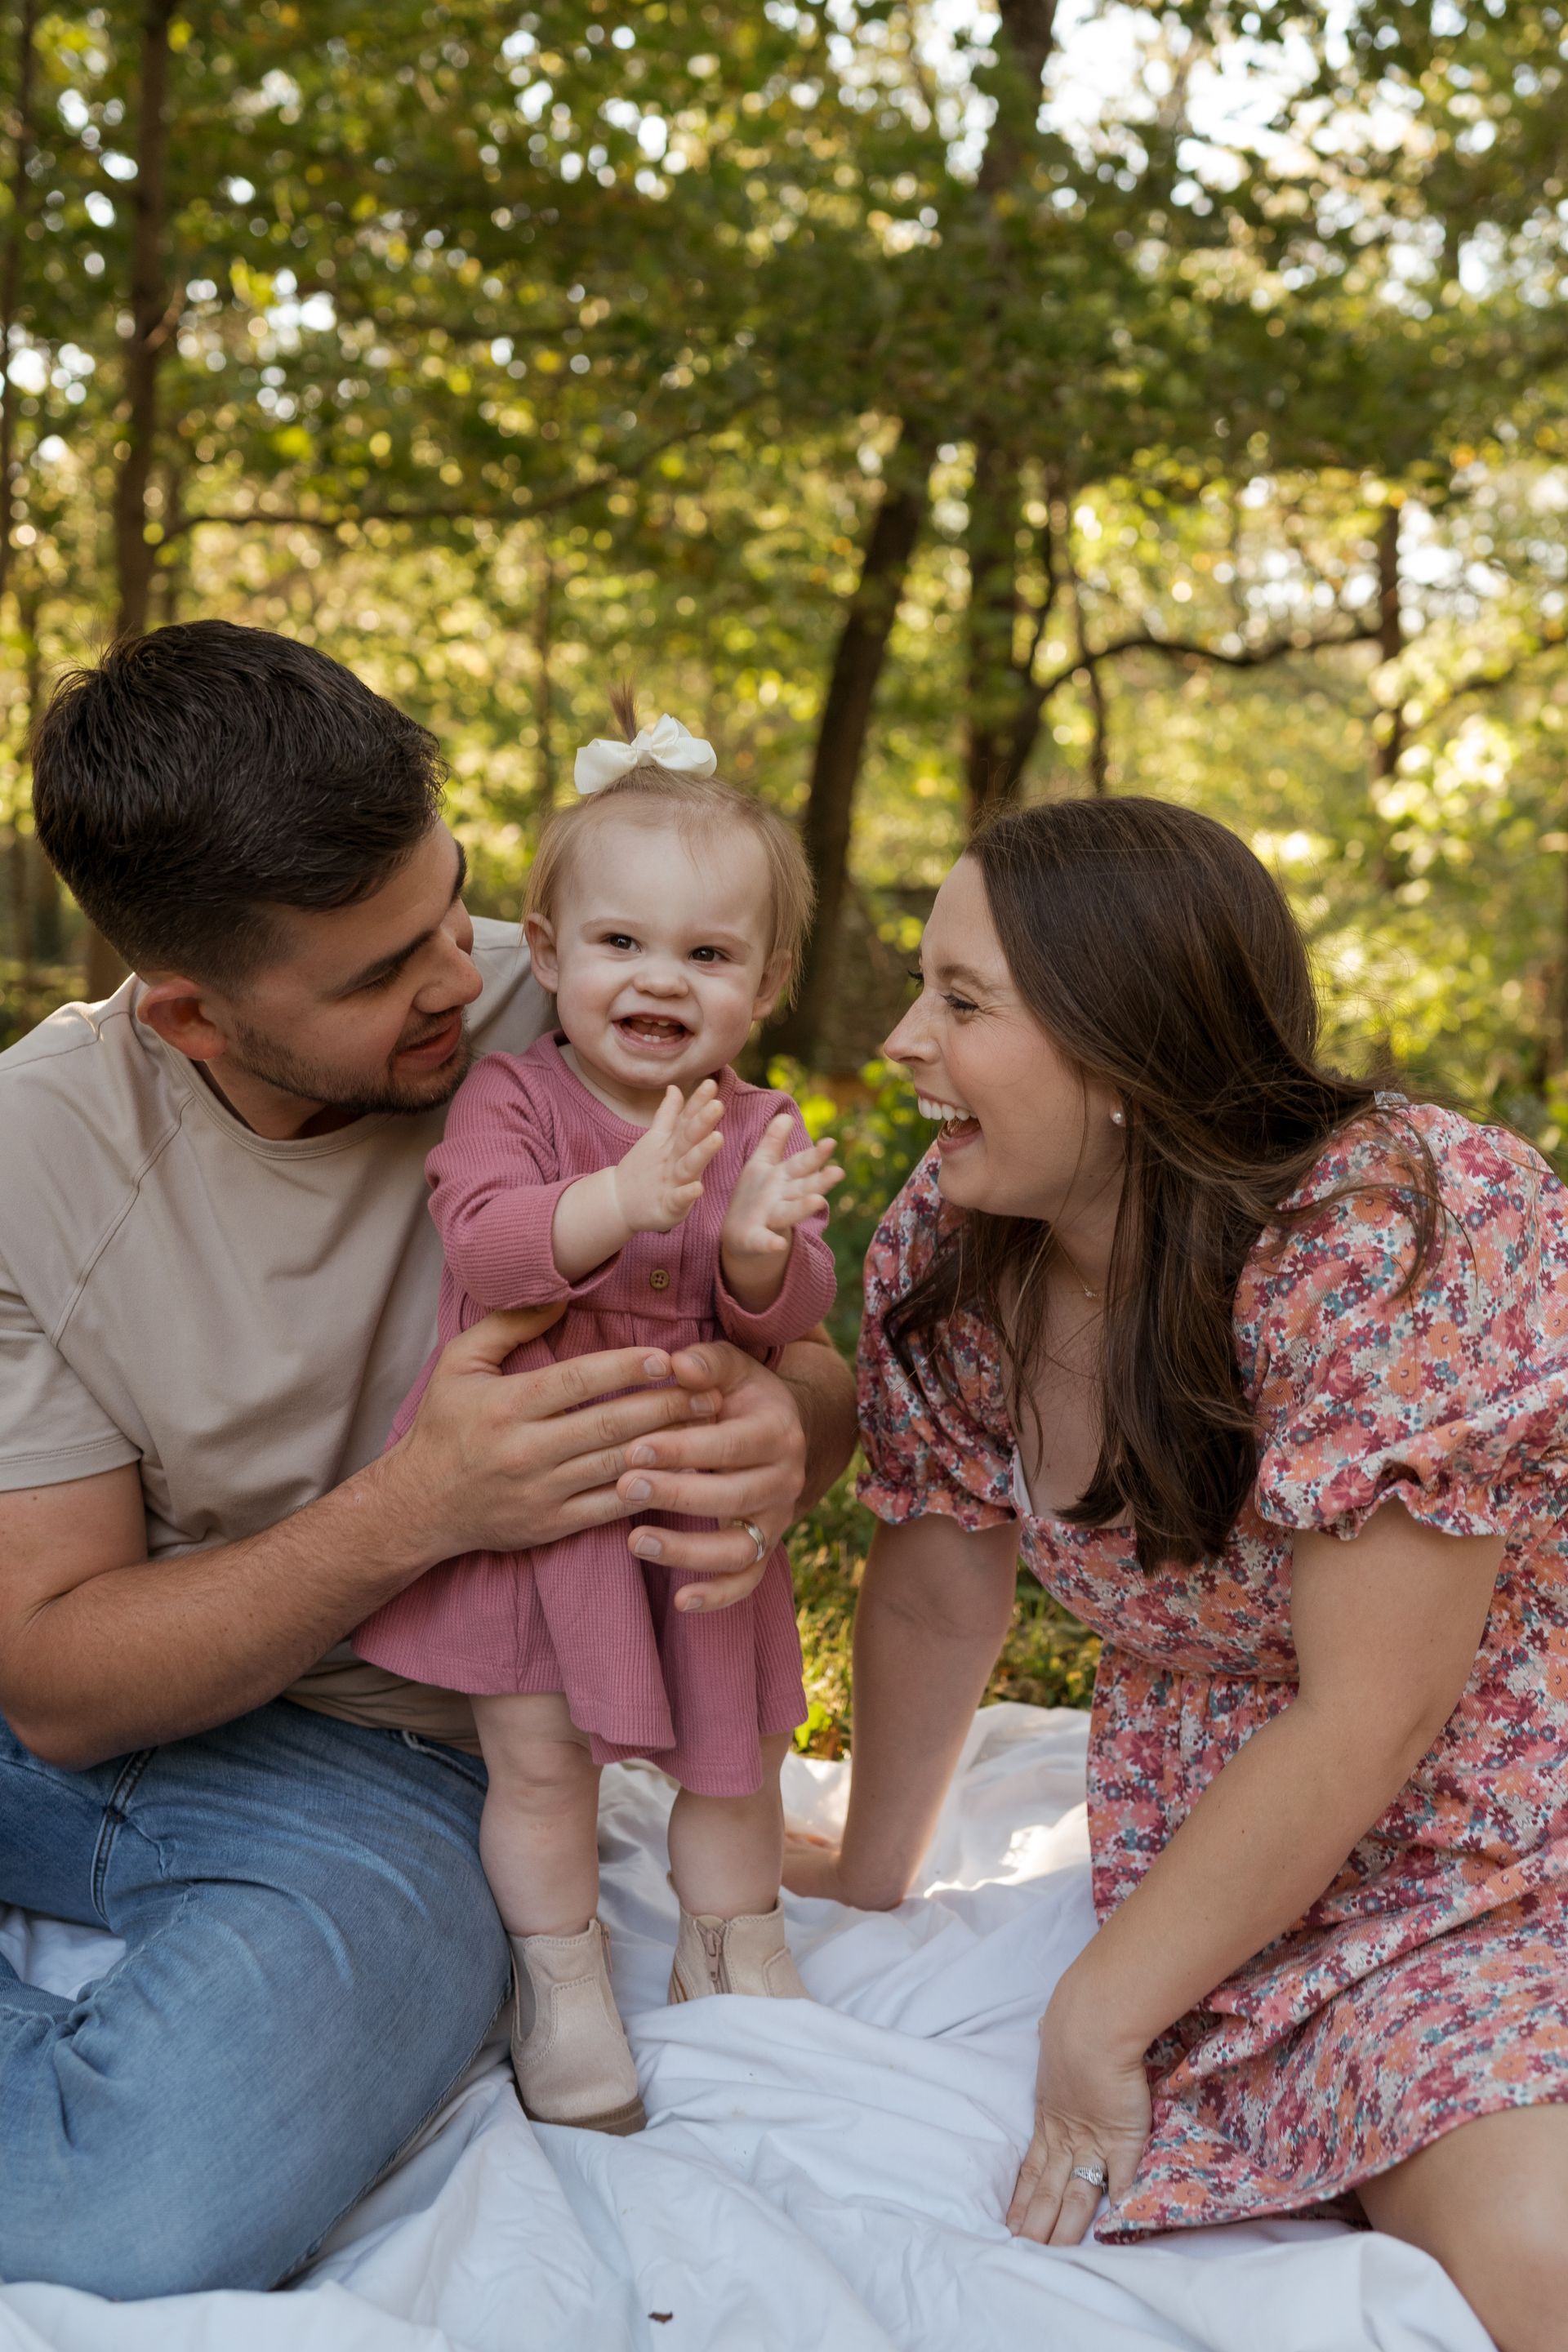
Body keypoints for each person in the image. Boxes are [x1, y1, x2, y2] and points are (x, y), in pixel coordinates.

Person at [0, 621, 855, 2300]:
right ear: (189, 1010)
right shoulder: (46, 1143)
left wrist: (787, 1430)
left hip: (393, 1759)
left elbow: (796, 1349)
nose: (463, 979)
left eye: (450, 905)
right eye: (383, 974)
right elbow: (58, 1680)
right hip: (105, 1698)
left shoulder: (594, 993)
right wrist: (419, 1508)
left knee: (134, 2216)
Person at [788, 796, 1568, 2352]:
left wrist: (1098, 2016)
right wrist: (869, 1882)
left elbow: (1372, 1718)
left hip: (1495, 1840)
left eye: (960, 1000)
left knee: (1540, 2258)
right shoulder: (954, 1253)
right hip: (1243, 1867)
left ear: (1126, 1047)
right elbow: (944, 1585)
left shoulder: (1396, 1234)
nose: (897, 1041)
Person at [356, 693, 841, 2134]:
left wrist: (756, 1254)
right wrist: (621, 1201)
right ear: (552, 954)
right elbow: (492, 1246)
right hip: (537, 1499)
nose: (660, 980)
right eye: (622, 944)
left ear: (766, 983)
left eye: (707, 954)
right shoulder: (509, 1099)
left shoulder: (759, 1129)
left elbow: (791, 1317)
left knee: (735, 1746)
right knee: (539, 1759)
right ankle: (560, 1978)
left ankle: (731, 1943)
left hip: (688, 1501)